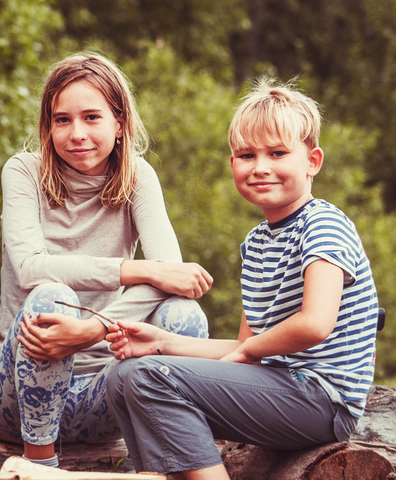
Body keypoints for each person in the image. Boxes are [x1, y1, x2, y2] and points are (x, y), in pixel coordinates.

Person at [104, 79, 379, 479]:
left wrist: (249, 352)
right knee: (123, 375)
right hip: (278, 386)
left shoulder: (323, 225)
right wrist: (161, 343)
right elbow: (246, 346)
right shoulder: (256, 243)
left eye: (277, 153)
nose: (261, 167)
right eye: (247, 155)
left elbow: (315, 324)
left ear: (312, 161)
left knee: (150, 377)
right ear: (233, 164)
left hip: (323, 400)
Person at [0, 53, 214, 468]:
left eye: (91, 117)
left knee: (183, 314)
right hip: (12, 402)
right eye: (62, 120)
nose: (77, 133)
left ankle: (172, 466)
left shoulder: (137, 177)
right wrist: (137, 269)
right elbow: (30, 267)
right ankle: (39, 467)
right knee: (51, 297)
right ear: (48, 126)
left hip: (100, 395)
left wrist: (91, 331)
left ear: (119, 123)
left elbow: (172, 276)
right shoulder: (24, 171)